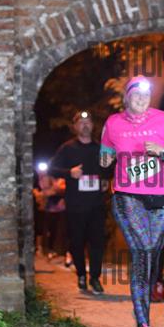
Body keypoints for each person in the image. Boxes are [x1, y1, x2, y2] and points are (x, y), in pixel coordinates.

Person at [100, 76, 164, 327]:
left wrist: (162, 152)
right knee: (142, 252)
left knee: (151, 254)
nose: (141, 98)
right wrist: (106, 159)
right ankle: (143, 326)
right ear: (126, 97)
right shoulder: (113, 123)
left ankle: (141, 309)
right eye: (136, 94)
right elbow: (104, 156)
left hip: (162, 197)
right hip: (127, 196)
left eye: (146, 95)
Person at [49, 111, 108, 295]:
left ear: (93, 125)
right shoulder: (67, 148)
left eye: (88, 122)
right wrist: (69, 173)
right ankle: (81, 274)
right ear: (74, 127)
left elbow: (109, 168)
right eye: (81, 122)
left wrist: (105, 179)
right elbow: (51, 169)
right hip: (75, 205)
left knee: (97, 242)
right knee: (77, 242)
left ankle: (95, 278)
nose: (85, 125)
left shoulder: (100, 148)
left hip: (96, 204)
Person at [32, 164, 68, 261]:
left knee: (59, 231)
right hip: (46, 209)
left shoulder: (56, 179)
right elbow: (42, 193)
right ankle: (44, 249)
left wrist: (49, 191)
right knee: (45, 230)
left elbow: (58, 189)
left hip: (59, 209)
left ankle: (59, 252)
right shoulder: (39, 180)